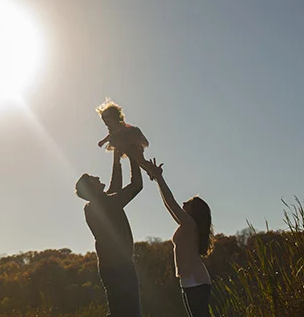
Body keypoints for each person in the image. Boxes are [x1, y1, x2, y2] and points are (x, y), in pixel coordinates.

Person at [75, 148, 143, 316]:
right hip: (121, 267)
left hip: (110, 267)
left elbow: (115, 187)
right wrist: (133, 158)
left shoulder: (94, 205)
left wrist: (116, 158)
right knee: (130, 312)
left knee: (119, 310)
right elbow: (136, 186)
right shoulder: (106, 203)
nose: (98, 177)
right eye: (94, 178)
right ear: (92, 188)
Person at [142, 158, 213, 317]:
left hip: (196, 281)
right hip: (191, 281)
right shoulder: (188, 225)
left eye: (188, 202)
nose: (183, 203)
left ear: (194, 211)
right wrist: (157, 179)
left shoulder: (190, 224)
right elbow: (169, 205)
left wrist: (159, 178)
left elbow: (171, 202)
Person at [96, 100, 149, 169]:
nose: (106, 124)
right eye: (105, 122)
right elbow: (110, 136)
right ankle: (149, 169)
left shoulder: (121, 126)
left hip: (132, 139)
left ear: (115, 118)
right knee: (137, 161)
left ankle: (151, 169)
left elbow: (116, 134)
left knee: (141, 160)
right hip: (125, 143)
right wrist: (103, 141)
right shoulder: (112, 129)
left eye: (108, 121)